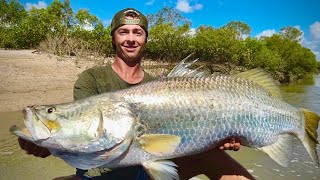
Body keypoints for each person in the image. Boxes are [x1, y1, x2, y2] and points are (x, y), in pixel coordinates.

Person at [18, 8, 254, 180]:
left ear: (145, 39)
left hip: (154, 167)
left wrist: (219, 139)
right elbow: (85, 136)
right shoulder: (92, 79)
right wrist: (47, 144)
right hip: (104, 173)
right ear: (113, 38)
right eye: (123, 32)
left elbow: (186, 135)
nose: (130, 38)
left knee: (220, 161)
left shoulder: (161, 85)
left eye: (137, 32)